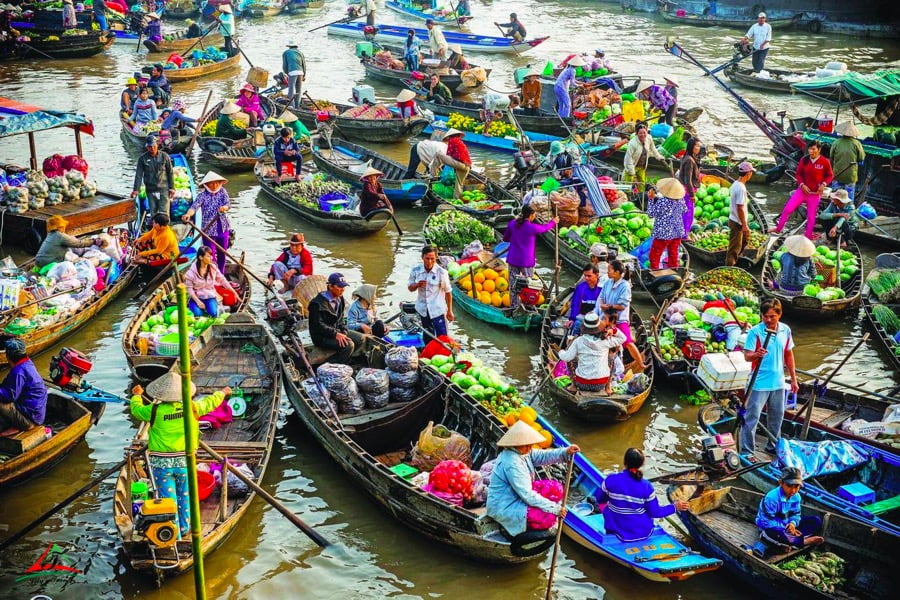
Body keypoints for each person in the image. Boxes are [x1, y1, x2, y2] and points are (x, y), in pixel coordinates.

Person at [130, 373, 231, 538]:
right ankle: (184, 528)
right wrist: (223, 392)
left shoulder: (154, 410)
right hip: (185, 462)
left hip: (161, 465)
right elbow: (211, 402)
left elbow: (137, 410)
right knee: (185, 496)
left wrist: (136, 396)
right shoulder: (192, 407)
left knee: (168, 499)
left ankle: (174, 534)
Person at [485, 420, 579, 539]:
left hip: (518, 494)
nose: (529, 448)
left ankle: (540, 510)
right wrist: (555, 509)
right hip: (506, 505)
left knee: (556, 488)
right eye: (526, 445)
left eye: (530, 444)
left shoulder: (523, 452)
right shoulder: (511, 463)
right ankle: (513, 527)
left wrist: (566, 451)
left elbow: (543, 456)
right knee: (548, 518)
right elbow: (527, 495)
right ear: (515, 444)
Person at [596, 448, 690, 542]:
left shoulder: (610, 480)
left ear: (624, 461)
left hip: (617, 532)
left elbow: (600, 499)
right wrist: (675, 507)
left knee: (605, 506)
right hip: (644, 533)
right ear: (642, 464)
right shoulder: (647, 486)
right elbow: (655, 512)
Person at [742, 298, 798, 454]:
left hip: (778, 382)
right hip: (758, 383)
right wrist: (756, 354)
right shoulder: (756, 332)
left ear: (779, 315)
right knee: (752, 419)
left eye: (772, 316)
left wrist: (793, 379)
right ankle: (747, 451)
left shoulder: (785, 330)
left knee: (777, 418)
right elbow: (747, 356)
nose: (768, 319)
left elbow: (788, 354)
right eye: (765, 316)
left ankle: (772, 446)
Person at [752, 467, 824, 557]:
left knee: (816, 521)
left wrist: (793, 524)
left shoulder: (796, 497)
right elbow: (766, 523)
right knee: (773, 533)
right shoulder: (771, 498)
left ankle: (789, 543)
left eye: (797, 486)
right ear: (781, 483)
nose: (793, 491)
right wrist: (786, 529)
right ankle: (804, 541)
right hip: (770, 528)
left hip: (787, 526)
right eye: (790, 486)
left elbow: (796, 514)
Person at [772, 141, 833, 240]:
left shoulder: (825, 162)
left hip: (814, 194)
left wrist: (823, 184)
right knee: (788, 209)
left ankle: (808, 236)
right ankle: (778, 228)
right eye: (809, 149)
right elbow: (798, 174)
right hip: (802, 191)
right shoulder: (804, 160)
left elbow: (830, 176)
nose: (811, 151)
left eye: (813, 149)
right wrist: (802, 184)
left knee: (811, 217)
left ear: (819, 150)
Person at [503, 205, 557, 309]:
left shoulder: (512, 224)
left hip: (513, 259)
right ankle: (527, 306)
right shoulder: (532, 227)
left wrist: (516, 238)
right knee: (529, 285)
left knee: (513, 285)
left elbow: (505, 238)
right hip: (526, 261)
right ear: (531, 215)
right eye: (534, 215)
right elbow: (544, 228)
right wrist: (553, 222)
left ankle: (514, 306)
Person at [557, 311, 625, 393]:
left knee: (572, 359)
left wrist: (561, 352)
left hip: (581, 383)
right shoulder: (606, 341)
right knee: (611, 358)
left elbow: (566, 358)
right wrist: (613, 331)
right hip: (601, 384)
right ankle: (608, 387)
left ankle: (573, 386)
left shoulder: (578, 341)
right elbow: (623, 338)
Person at [308, 273, 366, 364]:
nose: (342, 289)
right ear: (330, 286)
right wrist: (335, 334)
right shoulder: (317, 304)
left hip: (336, 331)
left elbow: (341, 319)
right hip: (321, 336)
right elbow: (317, 326)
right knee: (349, 345)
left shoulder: (340, 299)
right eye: (339, 286)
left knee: (361, 339)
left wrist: (344, 331)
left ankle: (345, 359)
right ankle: (331, 366)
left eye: (344, 286)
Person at [598, 260, 645, 372]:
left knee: (627, 342)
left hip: (619, 318)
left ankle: (641, 364)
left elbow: (622, 306)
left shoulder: (625, 286)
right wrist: (602, 305)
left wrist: (609, 306)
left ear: (617, 272)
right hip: (606, 316)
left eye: (610, 270)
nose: (607, 272)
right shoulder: (608, 282)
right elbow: (602, 297)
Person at [182, 171, 232, 272]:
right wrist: (188, 214)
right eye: (212, 183)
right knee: (210, 256)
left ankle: (221, 275)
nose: (215, 185)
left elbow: (228, 204)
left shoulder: (223, 191)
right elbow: (194, 207)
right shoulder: (202, 195)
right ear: (206, 184)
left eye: (217, 183)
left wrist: (224, 208)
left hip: (223, 228)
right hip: (208, 230)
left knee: (222, 253)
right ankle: (212, 276)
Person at [0, 339, 48, 432]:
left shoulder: (18, 372)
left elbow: (9, 396)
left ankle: (22, 425)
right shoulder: (27, 363)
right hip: (36, 414)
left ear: (8, 356)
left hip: (30, 418)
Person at [407, 245, 454, 337]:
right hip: (423, 310)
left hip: (437, 310)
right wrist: (417, 285)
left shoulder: (441, 272)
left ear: (436, 258)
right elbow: (410, 288)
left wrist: (449, 311)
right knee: (428, 335)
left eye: (432, 259)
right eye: (427, 258)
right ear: (422, 257)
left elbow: (448, 292)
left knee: (442, 337)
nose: (429, 262)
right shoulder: (415, 270)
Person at [184, 246, 238, 316]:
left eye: (211, 256)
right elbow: (189, 289)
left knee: (213, 313)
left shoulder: (213, 268)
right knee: (198, 314)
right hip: (196, 297)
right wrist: (198, 302)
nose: (211, 258)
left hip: (210, 296)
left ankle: (215, 307)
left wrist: (234, 292)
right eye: (208, 256)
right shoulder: (191, 272)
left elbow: (222, 280)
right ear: (201, 257)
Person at [647, 178, 687, 270]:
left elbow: (650, 214)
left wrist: (650, 199)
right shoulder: (681, 200)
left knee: (654, 255)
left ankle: (655, 273)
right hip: (677, 232)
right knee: (673, 254)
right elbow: (684, 210)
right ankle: (674, 271)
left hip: (664, 234)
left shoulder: (663, 202)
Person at [403, 133, 469, 188]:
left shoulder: (450, 151)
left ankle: (429, 182)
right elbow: (433, 165)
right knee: (411, 171)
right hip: (419, 148)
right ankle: (403, 183)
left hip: (430, 152)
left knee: (434, 170)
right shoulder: (444, 152)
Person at [132, 136, 175, 217]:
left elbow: (170, 172)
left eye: (154, 146)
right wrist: (136, 190)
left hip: (163, 189)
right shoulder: (142, 159)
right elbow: (139, 175)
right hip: (150, 189)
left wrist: (172, 188)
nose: (152, 148)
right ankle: (154, 228)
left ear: (157, 145)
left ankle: (165, 228)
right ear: (147, 147)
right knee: (153, 212)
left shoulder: (165, 156)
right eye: (150, 147)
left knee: (164, 213)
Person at [727, 161, 756, 266]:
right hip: (737, 222)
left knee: (745, 240)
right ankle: (729, 267)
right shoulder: (741, 188)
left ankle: (737, 262)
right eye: (751, 173)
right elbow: (740, 208)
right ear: (748, 173)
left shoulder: (735, 184)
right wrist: (744, 224)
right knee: (734, 248)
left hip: (734, 219)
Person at [830, 121, 866, 201]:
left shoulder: (836, 142)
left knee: (835, 197)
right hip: (850, 176)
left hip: (837, 174)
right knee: (849, 199)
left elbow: (831, 157)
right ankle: (848, 212)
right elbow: (861, 159)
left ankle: (834, 211)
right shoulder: (857, 144)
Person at [677, 138, 702, 238]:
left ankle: (683, 233)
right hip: (687, 192)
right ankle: (684, 235)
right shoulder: (689, 161)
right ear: (691, 147)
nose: (698, 148)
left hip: (687, 190)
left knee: (686, 213)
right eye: (696, 146)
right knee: (688, 215)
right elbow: (688, 180)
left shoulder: (690, 158)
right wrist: (692, 195)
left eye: (699, 146)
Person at [568, 264, 603, 333]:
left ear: (597, 275)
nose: (586, 278)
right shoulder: (580, 287)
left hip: (598, 319)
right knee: (576, 325)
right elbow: (575, 304)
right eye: (585, 275)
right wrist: (572, 319)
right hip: (582, 316)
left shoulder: (602, 288)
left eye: (589, 276)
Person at [554, 55, 584, 119]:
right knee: (568, 104)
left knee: (561, 105)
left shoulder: (567, 69)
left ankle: (560, 118)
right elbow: (572, 83)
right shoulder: (573, 70)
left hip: (556, 86)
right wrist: (579, 86)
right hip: (562, 87)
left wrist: (581, 83)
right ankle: (566, 119)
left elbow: (573, 79)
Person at [282, 41, 306, 108]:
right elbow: (304, 65)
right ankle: (297, 106)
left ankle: (291, 105)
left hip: (292, 72)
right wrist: (304, 75)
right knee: (298, 90)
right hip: (301, 72)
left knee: (291, 89)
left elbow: (284, 66)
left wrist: (287, 73)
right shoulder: (300, 53)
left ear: (289, 47)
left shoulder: (286, 53)